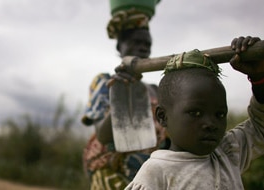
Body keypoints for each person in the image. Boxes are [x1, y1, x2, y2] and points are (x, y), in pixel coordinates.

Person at [125, 36, 264, 189]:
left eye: (220, 114)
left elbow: (260, 126)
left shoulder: (228, 153)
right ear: (162, 117)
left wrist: (259, 79)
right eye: (196, 113)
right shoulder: (155, 173)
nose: (211, 124)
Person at [81, 7, 167, 189]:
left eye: (147, 44)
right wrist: (123, 95)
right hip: (111, 172)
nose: (143, 48)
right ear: (120, 47)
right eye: (136, 42)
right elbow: (103, 136)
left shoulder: (156, 91)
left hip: (150, 175)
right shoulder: (105, 83)